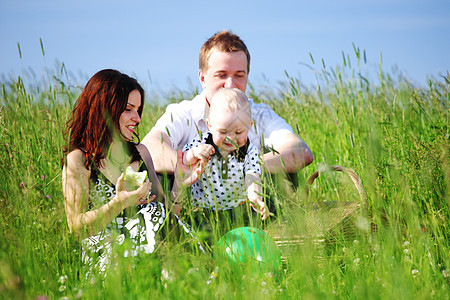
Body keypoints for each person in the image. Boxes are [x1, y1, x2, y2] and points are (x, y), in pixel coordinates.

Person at [62, 69, 202, 277]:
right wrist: (120, 202)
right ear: (105, 109)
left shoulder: (140, 153)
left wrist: (179, 185)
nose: (137, 118)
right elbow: (76, 228)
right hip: (110, 257)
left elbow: (169, 218)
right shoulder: (79, 160)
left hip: (155, 252)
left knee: (156, 213)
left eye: (138, 109)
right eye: (129, 109)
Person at [142, 30, 313, 187]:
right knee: (157, 174)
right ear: (203, 78)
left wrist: (246, 167)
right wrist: (190, 163)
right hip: (190, 198)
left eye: (239, 75)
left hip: (248, 199)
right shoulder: (184, 113)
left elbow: (300, 152)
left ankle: (272, 220)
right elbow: (150, 147)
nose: (230, 84)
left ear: (247, 76)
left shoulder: (260, 114)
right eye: (221, 75)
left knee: (286, 173)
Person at [181, 88, 268, 224]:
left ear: (249, 126)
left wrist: (255, 197)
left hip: (239, 209)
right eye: (223, 131)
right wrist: (194, 153)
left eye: (238, 132)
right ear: (209, 125)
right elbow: (184, 159)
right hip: (204, 210)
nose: (231, 138)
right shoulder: (201, 142)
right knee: (203, 237)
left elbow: (252, 175)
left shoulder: (249, 150)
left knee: (247, 234)